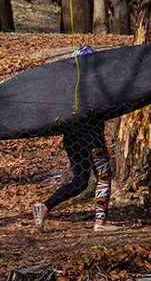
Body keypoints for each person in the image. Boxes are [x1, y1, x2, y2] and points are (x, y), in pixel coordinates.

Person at [32, 44, 121, 233]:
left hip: (72, 139)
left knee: (80, 182)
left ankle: (44, 207)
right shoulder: (94, 85)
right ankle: (100, 224)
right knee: (104, 176)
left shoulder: (66, 85)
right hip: (92, 138)